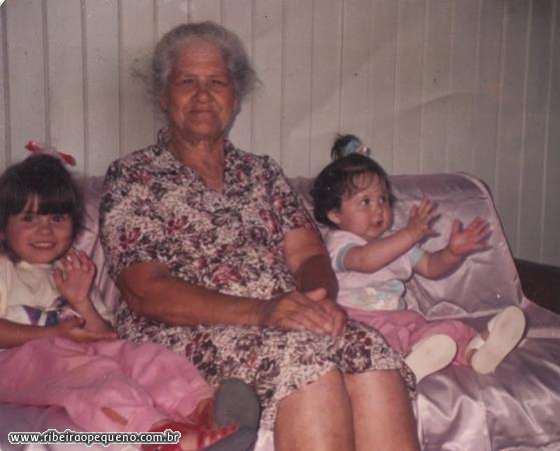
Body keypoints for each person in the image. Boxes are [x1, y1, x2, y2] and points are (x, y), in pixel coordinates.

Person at [99, 21, 420, 451]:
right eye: (187, 82)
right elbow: (145, 291)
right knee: (304, 361)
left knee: (369, 349)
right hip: (185, 331)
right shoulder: (134, 176)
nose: (203, 95)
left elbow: (309, 256)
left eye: (217, 82)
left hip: (280, 320)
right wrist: (264, 311)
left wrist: (315, 302)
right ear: (162, 96)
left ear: (234, 97)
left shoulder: (262, 173)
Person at [0, 153, 259, 451]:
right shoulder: (5, 269)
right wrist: (54, 333)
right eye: (29, 218)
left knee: (144, 356)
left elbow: (105, 337)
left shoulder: (74, 272)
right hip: (14, 366)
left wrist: (82, 302)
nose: (45, 230)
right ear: (3, 228)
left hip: (77, 356)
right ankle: (159, 438)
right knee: (94, 377)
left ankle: (203, 411)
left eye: (57, 218)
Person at [311, 135, 526, 382]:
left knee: (441, 331)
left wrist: (452, 252)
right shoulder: (339, 242)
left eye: (383, 199)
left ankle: (474, 351)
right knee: (378, 341)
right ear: (335, 214)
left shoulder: (396, 240)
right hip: (354, 320)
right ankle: (404, 364)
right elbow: (364, 261)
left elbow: (431, 267)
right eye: (366, 202)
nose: (379, 208)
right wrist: (409, 234)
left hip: (398, 317)